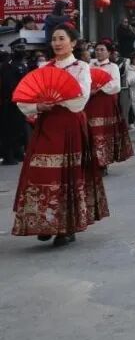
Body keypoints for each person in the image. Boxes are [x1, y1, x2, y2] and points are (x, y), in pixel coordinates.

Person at [12, 24, 108, 246]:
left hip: (69, 125)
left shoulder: (81, 67)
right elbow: (25, 99)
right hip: (46, 124)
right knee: (39, 171)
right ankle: (44, 221)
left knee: (66, 175)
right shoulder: (44, 67)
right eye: (54, 39)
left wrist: (56, 100)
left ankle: (67, 226)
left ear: (73, 42)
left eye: (61, 38)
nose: (56, 43)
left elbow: (80, 100)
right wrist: (38, 106)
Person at [87, 43, 133, 174]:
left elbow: (115, 86)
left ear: (108, 53)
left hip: (105, 103)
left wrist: (99, 88)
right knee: (91, 133)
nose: (99, 52)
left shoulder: (112, 67)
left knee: (103, 133)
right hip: (90, 103)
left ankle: (103, 163)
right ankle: (93, 162)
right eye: (97, 50)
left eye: (102, 50)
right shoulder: (89, 65)